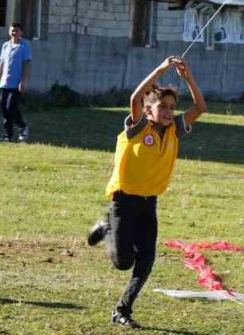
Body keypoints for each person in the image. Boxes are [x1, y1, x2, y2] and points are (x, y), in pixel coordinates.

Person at [86, 57, 206, 328]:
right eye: (162, 106)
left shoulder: (174, 130)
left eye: (172, 107)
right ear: (148, 110)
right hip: (123, 201)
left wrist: (187, 78)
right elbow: (135, 97)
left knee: (147, 260)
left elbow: (200, 106)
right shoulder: (139, 128)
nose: (168, 111)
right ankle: (107, 227)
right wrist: (161, 71)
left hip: (148, 203)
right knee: (123, 263)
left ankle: (122, 310)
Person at [0, 22, 32, 143]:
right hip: (5, 83)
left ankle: (23, 126)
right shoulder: (5, 46)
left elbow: (27, 64)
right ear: (9, 32)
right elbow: (1, 64)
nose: (14, 33)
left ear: (21, 33)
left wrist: (23, 81)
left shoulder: (24, 45)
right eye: (12, 30)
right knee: (4, 108)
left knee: (11, 107)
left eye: (17, 31)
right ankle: (7, 136)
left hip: (16, 83)